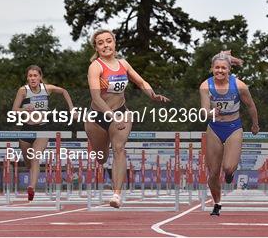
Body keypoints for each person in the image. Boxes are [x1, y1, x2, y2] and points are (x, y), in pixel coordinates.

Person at [85, 29, 169, 208]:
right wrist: (112, 117)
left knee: (119, 148)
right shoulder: (96, 66)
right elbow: (96, 98)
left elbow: (141, 82)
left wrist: (152, 95)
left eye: (109, 41)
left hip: (121, 112)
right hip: (97, 116)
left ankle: (116, 194)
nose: (106, 45)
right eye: (101, 43)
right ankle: (101, 148)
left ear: (114, 43)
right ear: (97, 47)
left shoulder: (123, 63)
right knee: (101, 157)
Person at [199, 52, 260, 216]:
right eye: (217, 68)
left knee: (228, 167)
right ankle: (217, 203)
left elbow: (251, 106)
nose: (220, 71)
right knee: (212, 173)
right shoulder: (205, 86)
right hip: (214, 127)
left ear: (229, 70)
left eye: (223, 68)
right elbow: (203, 111)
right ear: (212, 69)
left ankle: (230, 173)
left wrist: (255, 124)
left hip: (234, 127)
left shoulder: (239, 86)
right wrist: (211, 113)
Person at [11, 65, 76, 201]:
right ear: (27, 78)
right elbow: (14, 109)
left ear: (40, 77)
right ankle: (31, 176)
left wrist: (72, 109)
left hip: (42, 128)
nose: (33, 78)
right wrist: (24, 109)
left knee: (35, 157)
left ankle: (32, 187)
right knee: (28, 162)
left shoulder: (47, 88)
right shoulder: (23, 91)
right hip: (26, 129)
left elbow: (64, 91)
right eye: (30, 76)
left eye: (35, 75)